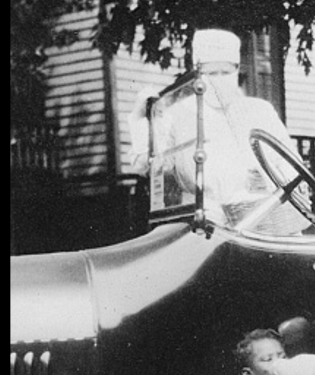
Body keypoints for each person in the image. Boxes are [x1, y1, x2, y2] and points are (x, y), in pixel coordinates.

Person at [127, 29, 303, 233]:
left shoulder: (260, 110)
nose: (219, 79)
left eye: (226, 72)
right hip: (204, 226)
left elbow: (292, 166)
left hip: (265, 221)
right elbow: (148, 165)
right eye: (211, 73)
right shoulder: (179, 114)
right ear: (198, 74)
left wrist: (271, 187)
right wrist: (141, 120)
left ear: (238, 70)